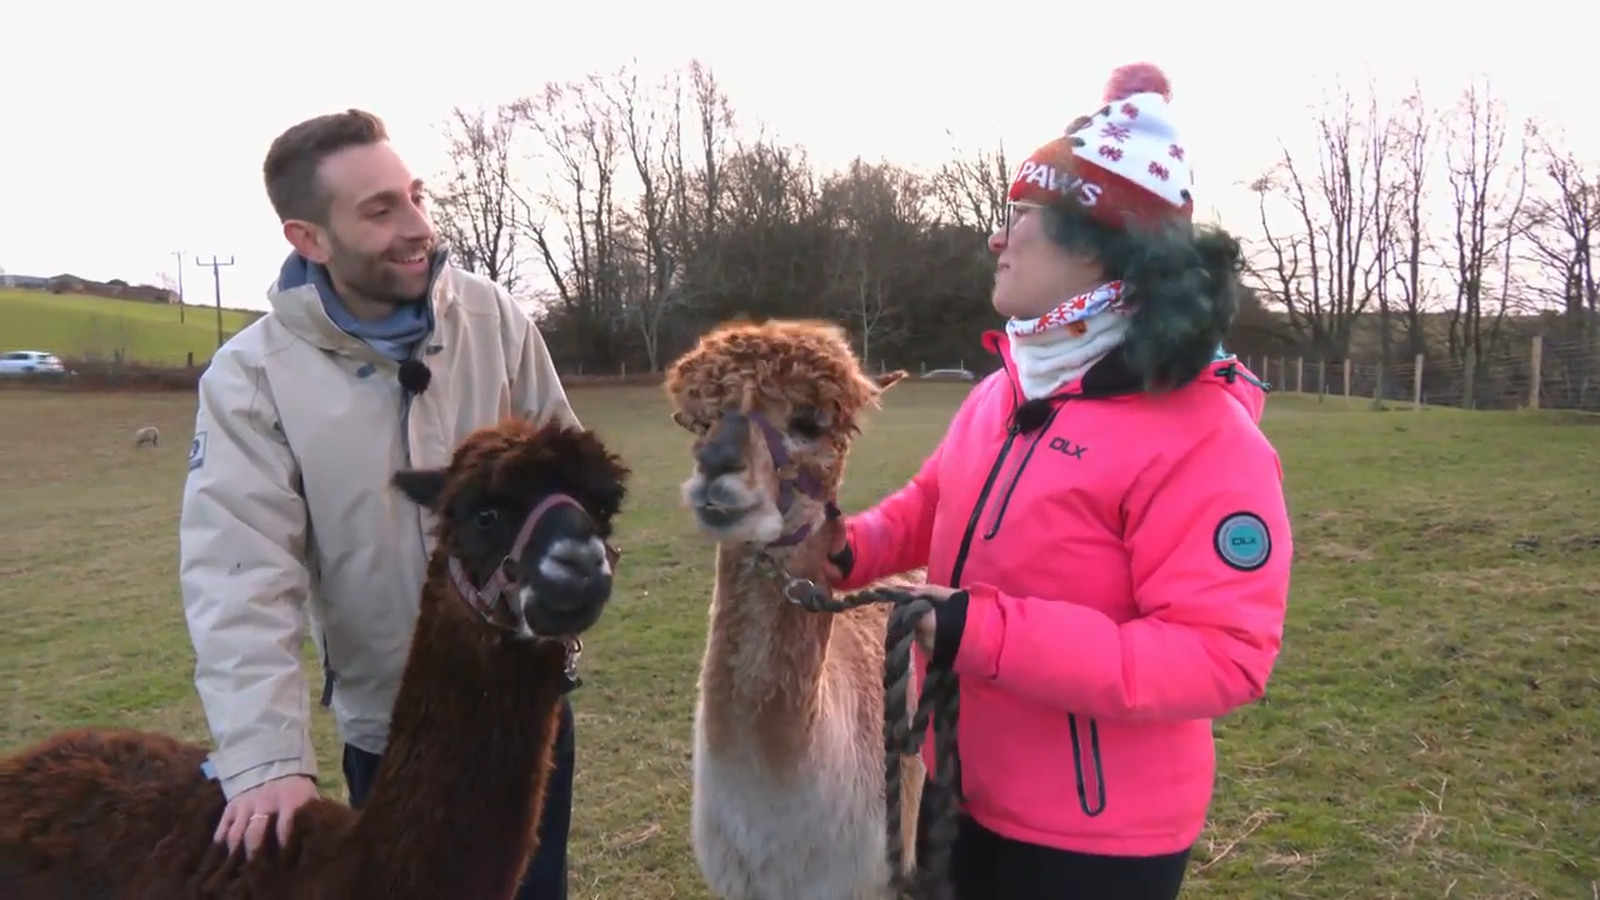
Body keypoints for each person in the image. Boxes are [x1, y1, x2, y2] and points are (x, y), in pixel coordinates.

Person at [825, 62, 1293, 899]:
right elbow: (934, 505)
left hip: (1097, 841)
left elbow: (1224, 656)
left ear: (1098, 251)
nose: (998, 239)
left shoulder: (1206, 437)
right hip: (961, 785)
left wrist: (986, 634)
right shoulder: (1007, 388)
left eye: (1021, 220)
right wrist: (842, 550)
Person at [178, 109, 580, 898]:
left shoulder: (495, 318)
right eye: (380, 209)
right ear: (309, 239)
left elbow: (565, 474)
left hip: (528, 708)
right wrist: (265, 761)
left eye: (415, 196)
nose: (418, 227)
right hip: (395, 728)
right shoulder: (250, 379)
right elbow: (238, 576)